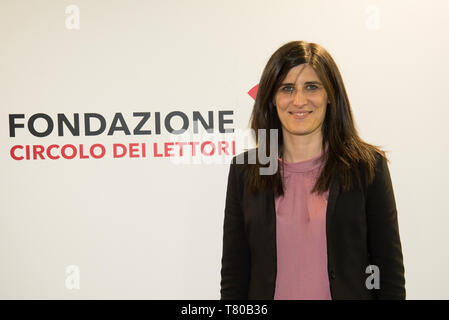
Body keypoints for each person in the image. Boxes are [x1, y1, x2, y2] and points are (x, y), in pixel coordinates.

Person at [220, 40, 405, 300]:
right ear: (272, 98)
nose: (299, 100)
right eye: (287, 88)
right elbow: (234, 276)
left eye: (311, 87)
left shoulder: (367, 167)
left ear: (330, 95)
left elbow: (388, 273)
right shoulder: (247, 170)